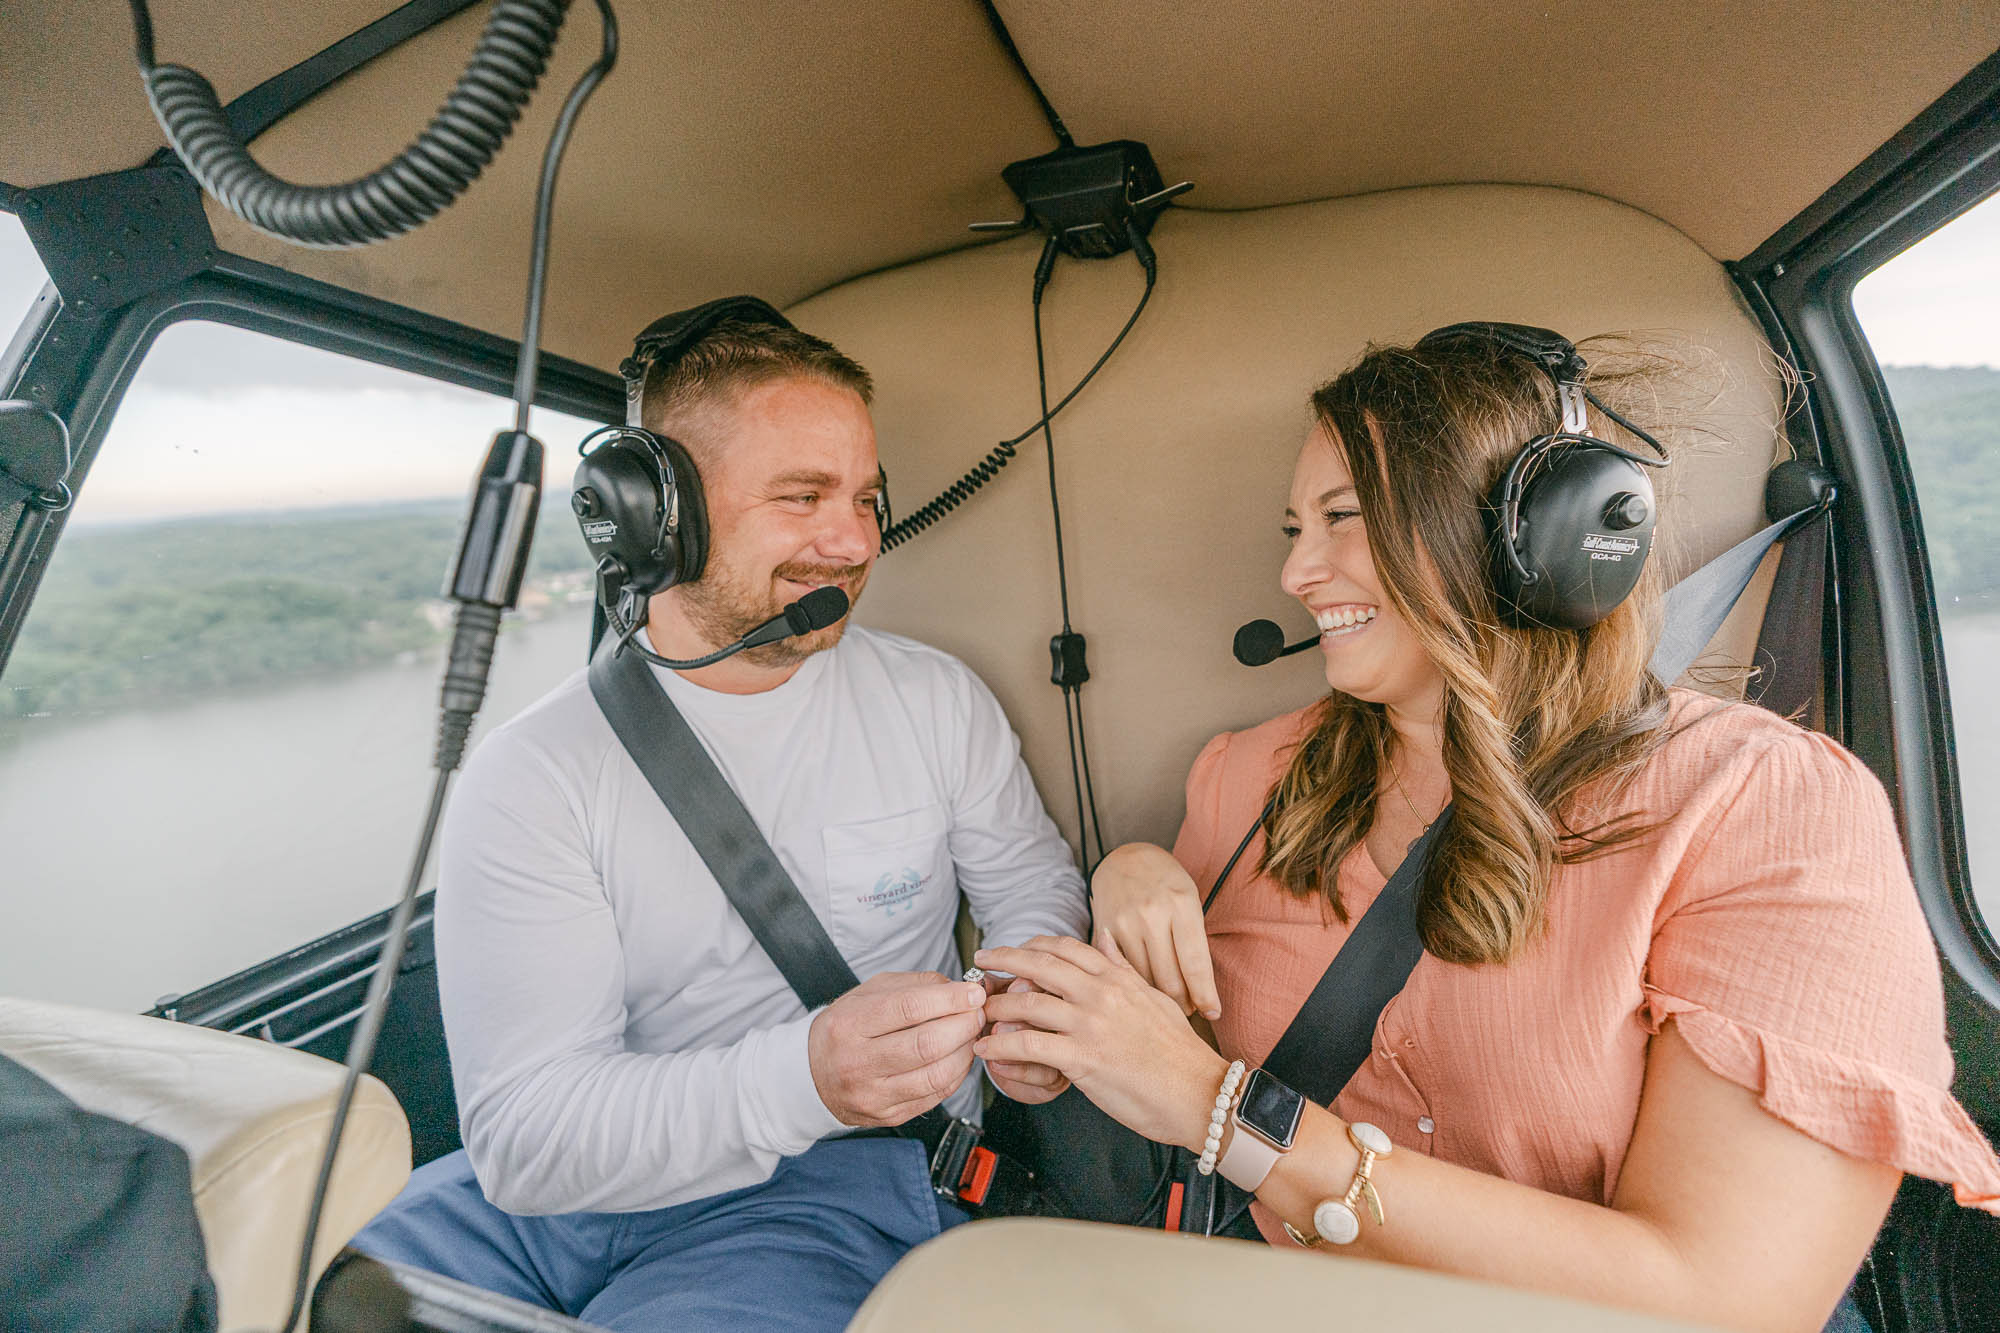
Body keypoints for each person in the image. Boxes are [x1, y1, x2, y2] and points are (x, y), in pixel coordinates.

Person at [973, 329, 2000, 1333]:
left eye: (1344, 517)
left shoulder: (1758, 806)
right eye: (1294, 529)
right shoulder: (1246, 775)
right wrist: (1119, 891)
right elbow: (1149, 1034)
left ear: (1532, 540)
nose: (1296, 574)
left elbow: (1718, 1301)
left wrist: (1214, 1106)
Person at [353, 305, 1088, 1331]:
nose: (853, 540)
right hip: (556, 1202)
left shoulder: (933, 701)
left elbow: (1030, 891)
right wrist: (806, 1071)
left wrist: (1026, 999)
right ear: (661, 514)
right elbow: (523, 1143)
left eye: (867, 499)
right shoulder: (533, 773)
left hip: (821, 1181)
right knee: (278, 1273)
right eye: (802, 497)